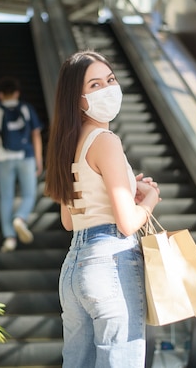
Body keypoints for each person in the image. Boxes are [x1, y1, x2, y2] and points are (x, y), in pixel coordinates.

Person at [44, 50, 161, 367]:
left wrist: (123, 187)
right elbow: (126, 224)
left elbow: (70, 221)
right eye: (95, 85)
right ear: (79, 99)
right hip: (111, 262)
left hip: (74, 269)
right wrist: (150, 197)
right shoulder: (105, 140)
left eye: (110, 80)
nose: (108, 89)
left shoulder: (68, 145)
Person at [0, 76, 43, 252]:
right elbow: (36, 135)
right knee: (29, 195)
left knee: (6, 198)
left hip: (4, 159)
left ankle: (9, 238)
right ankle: (21, 218)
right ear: (17, 93)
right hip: (27, 156)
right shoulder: (26, 108)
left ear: (0, 94)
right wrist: (39, 160)